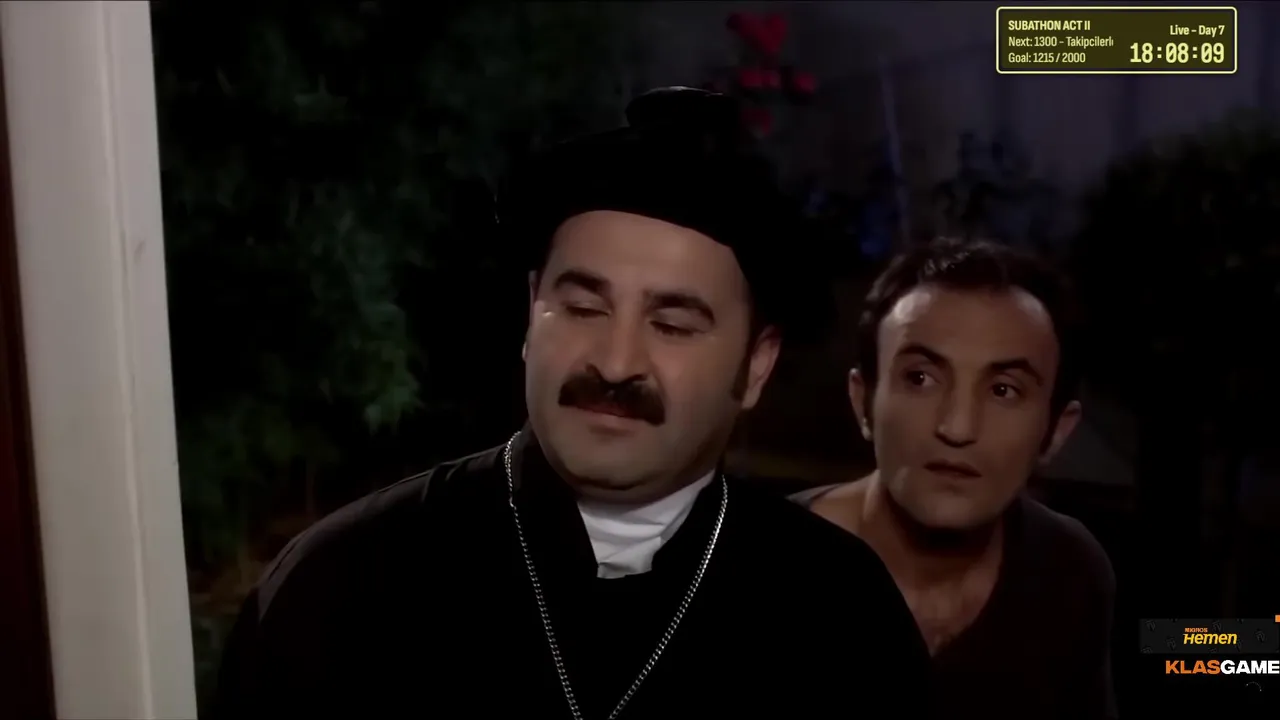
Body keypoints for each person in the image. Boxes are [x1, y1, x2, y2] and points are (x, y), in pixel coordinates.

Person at [211, 87, 929, 719]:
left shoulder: (839, 613)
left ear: (758, 362)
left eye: (672, 325)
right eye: (583, 308)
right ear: (532, 311)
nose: (615, 363)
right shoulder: (341, 585)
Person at [794, 238, 1117, 719]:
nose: (957, 427)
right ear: (863, 402)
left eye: (1004, 390)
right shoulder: (743, 569)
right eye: (921, 378)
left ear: (1056, 431)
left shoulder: (1070, 571)